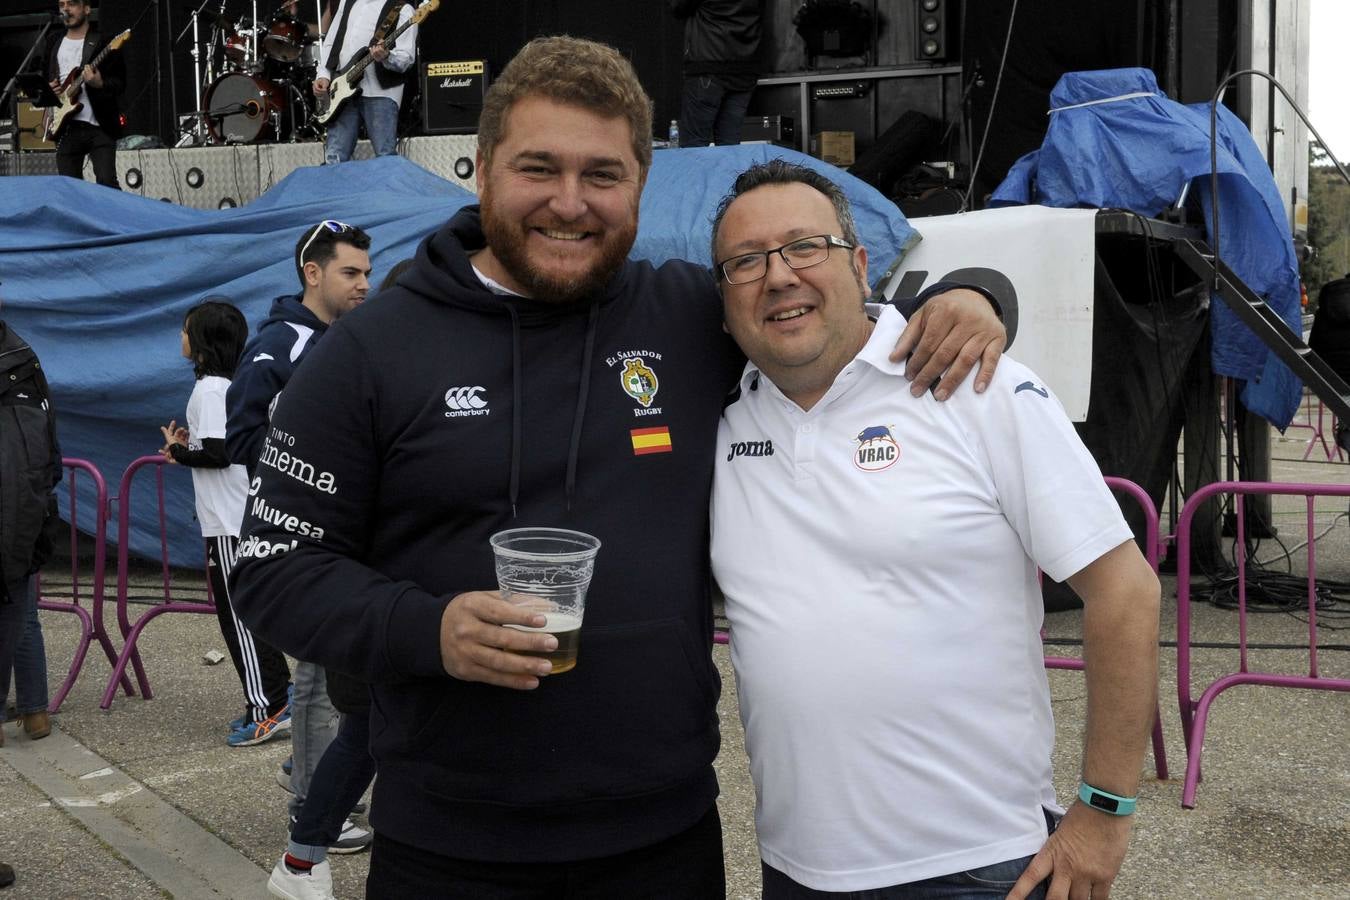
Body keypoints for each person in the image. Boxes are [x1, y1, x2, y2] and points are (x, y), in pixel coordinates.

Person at [229, 36, 1004, 898]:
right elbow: (273, 572)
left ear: (641, 182)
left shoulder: (687, 316)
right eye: (538, 169)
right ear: (481, 169)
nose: (570, 202)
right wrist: (428, 629)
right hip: (450, 848)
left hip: (662, 840)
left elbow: (816, 313)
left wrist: (966, 297)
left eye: (603, 174)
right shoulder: (371, 350)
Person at [707, 160, 1162, 899]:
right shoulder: (723, 420)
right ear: (723, 296)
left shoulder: (978, 387)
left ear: (861, 265)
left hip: (977, 868)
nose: (779, 275)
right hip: (795, 870)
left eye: (804, 247)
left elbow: (1125, 592)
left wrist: (1105, 811)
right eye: (746, 261)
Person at [225, 221, 374, 858]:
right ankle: (312, 811)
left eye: (368, 272)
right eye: (351, 273)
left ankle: (315, 784)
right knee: (316, 682)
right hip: (305, 540)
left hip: (347, 537)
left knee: (339, 680)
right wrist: (314, 479)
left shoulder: (351, 339)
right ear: (312, 273)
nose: (364, 284)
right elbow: (242, 436)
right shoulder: (280, 344)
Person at [159, 299, 293, 748]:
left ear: (201, 343)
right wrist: (186, 448)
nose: (180, 337)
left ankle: (270, 707)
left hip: (232, 523)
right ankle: (275, 696)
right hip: (231, 519)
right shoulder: (220, 387)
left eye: (185, 330)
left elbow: (222, 453)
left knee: (239, 619)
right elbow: (218, 445)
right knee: (244, 616)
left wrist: (180, 453)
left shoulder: (212, 390)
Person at [0, 302, 62, 750]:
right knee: (21, 607)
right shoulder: (24, 356)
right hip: (27, 506)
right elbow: (50, 446)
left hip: (20, 503)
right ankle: (35, 710)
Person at [313, 0, 418, 165]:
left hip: (381, 92)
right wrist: (324, 74)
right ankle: (333, 190)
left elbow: (406, 59)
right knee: (334, 157)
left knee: (385, 157)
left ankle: (386, 191)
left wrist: (387, 56)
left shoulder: (403, 9)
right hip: (343, 90)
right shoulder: (347, 3)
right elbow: (332, 42)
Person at [45, 0, 125, 188]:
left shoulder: (105, 42)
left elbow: (121, 84)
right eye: (61, 4)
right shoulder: (53, 42)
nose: (65, 9)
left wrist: (100, 83)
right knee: (70, 188)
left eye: (71, 3)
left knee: (107, 182)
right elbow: (44, 82)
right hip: (66, 127)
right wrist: (50, 90)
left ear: (87, 8)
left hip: (99, 126)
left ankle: (112, 218)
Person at [670, 0, 762, 147]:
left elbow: (678, 7)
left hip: (708, 64)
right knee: (730, 146)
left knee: (695, 146)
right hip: (744, 68)